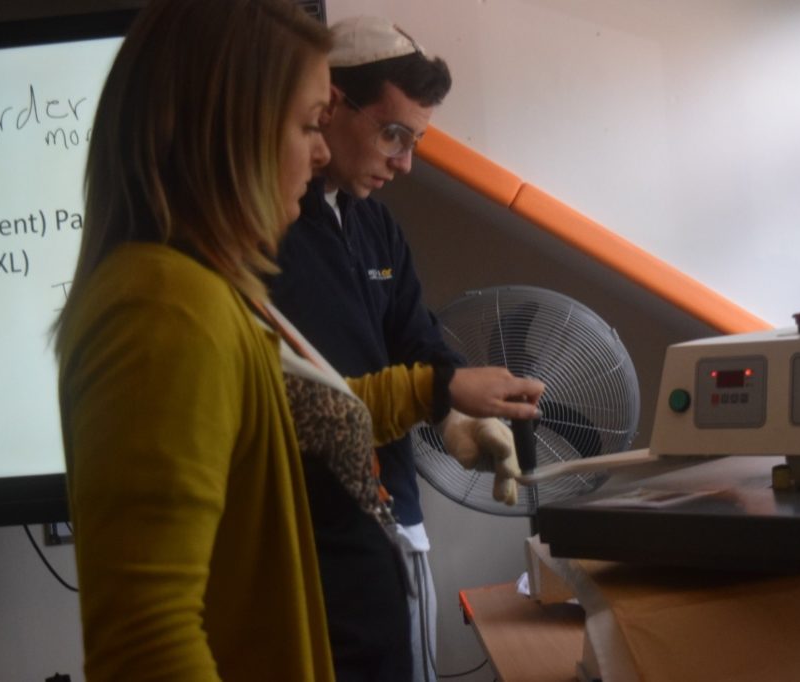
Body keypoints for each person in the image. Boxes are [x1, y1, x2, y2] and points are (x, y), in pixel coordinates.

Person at [53, 0, 337, 679]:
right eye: (308, 124)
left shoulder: (196, 294)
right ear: (229, 132)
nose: (321, 152)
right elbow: (148, 645)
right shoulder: (166, 308)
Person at [270, 15, 529, 682]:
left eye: (414, 142)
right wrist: (441, 391)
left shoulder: (375, 224)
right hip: (302, 536)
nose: (404, 162)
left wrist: (459, 417)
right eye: (392, 135)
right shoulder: (267, 227)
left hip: (392, 519)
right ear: (329, 105)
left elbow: (419, 347)